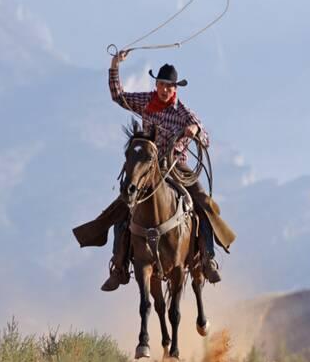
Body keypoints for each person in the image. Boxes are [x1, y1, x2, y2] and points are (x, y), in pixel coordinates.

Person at [72, 51, 236, 291]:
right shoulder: (146, 102)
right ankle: (118, 267)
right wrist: (114, 66)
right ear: (156, 85)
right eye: (161, 84)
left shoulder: (183, 112)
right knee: (123, 207)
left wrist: (195, 130)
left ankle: (208, 258)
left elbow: (206, 137)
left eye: (169, 86)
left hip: (175, 167)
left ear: (175, 89)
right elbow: (118, 96)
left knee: (204, 204)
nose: (164, 90)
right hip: (147, 167)